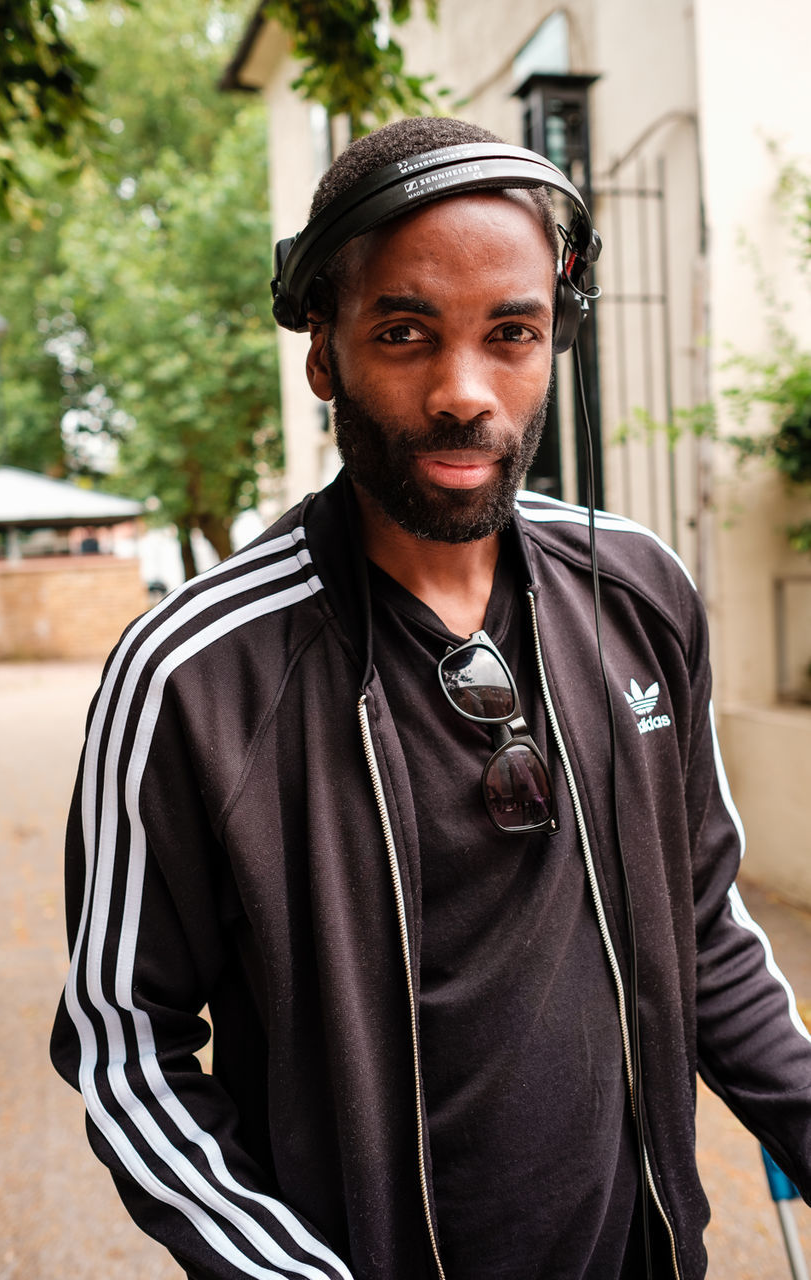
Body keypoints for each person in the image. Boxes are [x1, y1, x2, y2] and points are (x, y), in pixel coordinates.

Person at [51, 116, 811, 1280]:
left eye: (511, 332)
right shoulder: (190, 674)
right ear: (323, 350)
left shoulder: (641, 592)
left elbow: (703, 925)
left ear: (556, 336)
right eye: (404, 331)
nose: (465, 392)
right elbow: (125, 1048)